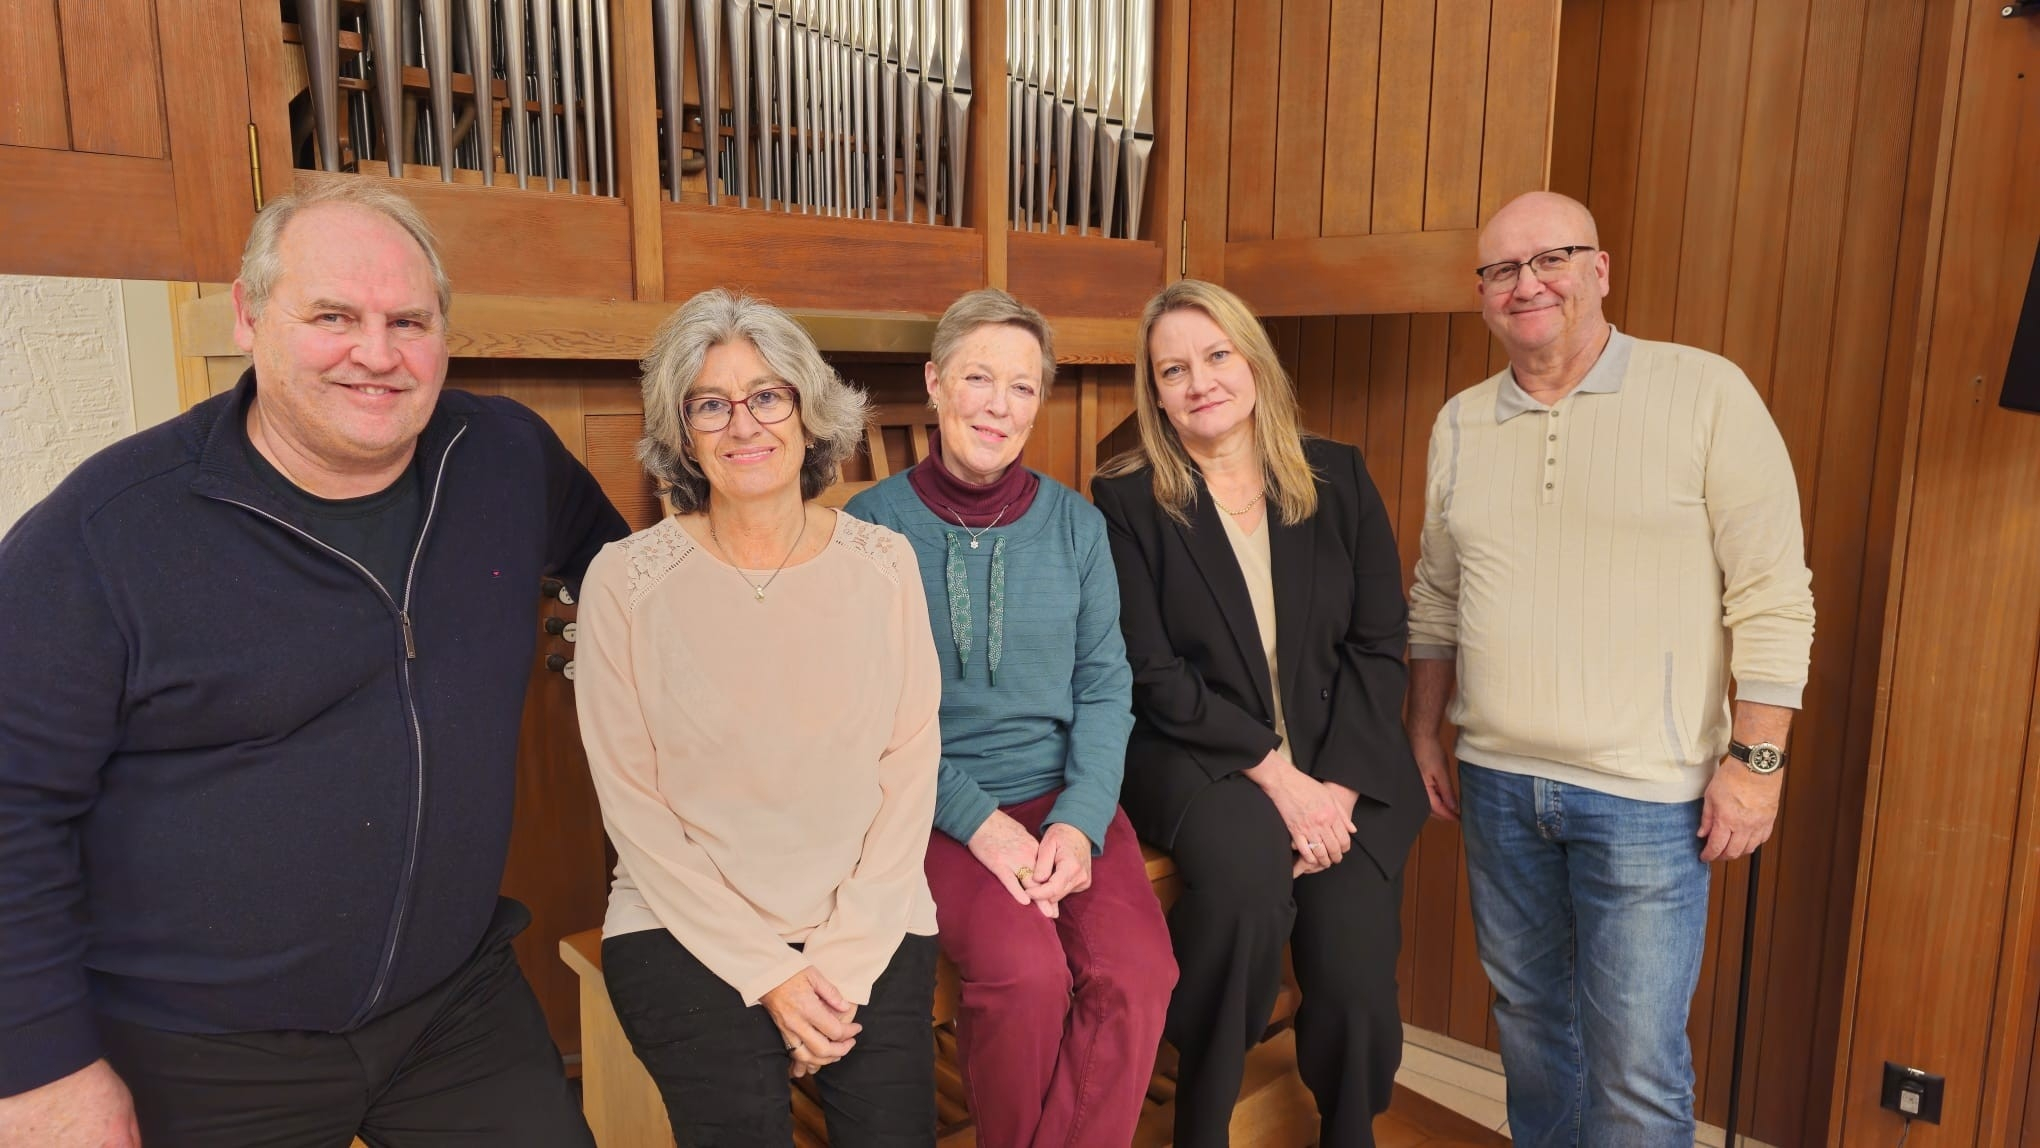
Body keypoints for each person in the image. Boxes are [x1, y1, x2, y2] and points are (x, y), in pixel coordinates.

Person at [0, 181, 625, 1148]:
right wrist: (39, 1069)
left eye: (408, 321)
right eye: (333, 316)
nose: (376, 354)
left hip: (453, 1005)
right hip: (195, 1044)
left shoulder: (504, 457)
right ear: (248, 317)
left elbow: (629, 576)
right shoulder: (104, 534)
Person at [1405, 191, 1815, 1147]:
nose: (1526, 284)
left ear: (1599, 269)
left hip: (1649, 798)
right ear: (1482, 294)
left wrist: (1757, 765)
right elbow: (1438, 594)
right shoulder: (1461, 423)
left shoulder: (1705, 392)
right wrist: (1424, 727)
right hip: (1499, 786)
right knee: (1530, 1031)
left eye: (1550, 258)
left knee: (1635, 1063)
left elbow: (1772, 594)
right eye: (1502, 270)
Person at [577, 288, 942, 1146]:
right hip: (682, 923)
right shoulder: (622, 581)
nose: (743, 424)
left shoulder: (886, 563)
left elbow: (909, 766)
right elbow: (635, 810)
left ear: (809, 415)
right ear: (683, 434)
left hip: (868, 915)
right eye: (710, 404)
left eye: (767, 396)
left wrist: (843, 962)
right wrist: (770, 975)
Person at [1091, 279, 1428, 1148]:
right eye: (1173, 369)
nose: (1200, 381)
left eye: (1217, 355)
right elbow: (1152, 672)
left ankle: (1348, 1130)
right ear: (1155, 391)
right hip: (1201, 754)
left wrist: (1337, 792)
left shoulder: (1337, 476)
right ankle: (1200, 1118)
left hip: (1342, 757)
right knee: (1243, 899)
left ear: (1253, 362)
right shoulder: (1128, 499)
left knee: (1354, 974)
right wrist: (1281, 780)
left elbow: (1378, 643)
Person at [845, 288, 1174, 1147]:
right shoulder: (869, 529)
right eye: (978, 378)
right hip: (930, 808)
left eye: (1022, 387)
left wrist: (1080, 821)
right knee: (1026, 978)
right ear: (935, 383)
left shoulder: (1077, 527)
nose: (998, 405)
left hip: (1064, 798)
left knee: (1140, 974)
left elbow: (1104, 688)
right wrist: (979, 824)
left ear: (1039, 402)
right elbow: (865, 717)